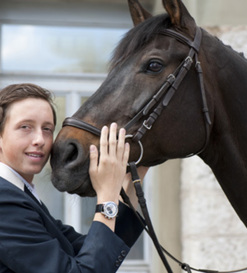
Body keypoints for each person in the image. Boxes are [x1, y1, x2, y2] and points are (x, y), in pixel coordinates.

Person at [0, 83, 147, 273]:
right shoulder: (5, 202)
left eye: (47, 129)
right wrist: (106, 196)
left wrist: (137, 176)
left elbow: (93, 251)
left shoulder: (21, 194)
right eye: (25, 127)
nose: (40, 140)